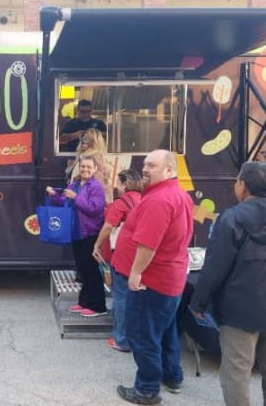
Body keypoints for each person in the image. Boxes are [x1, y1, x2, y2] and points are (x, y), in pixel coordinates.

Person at [189, 161, 266, 406]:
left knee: (236, 373)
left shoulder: (231, 218)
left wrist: (198, 302)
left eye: (237, 180)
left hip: (239, 310)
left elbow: (215, 266)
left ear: (243, 186)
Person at [113, 149, 193, 405]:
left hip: (152, 281)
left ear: (169, 170)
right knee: (166, 330)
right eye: (145, 164)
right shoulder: (177, 194)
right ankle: (172, 377)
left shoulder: (159, 200)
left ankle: (147, 389)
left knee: (143, 336)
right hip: (169, 279)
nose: (145, 169)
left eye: (152, 165)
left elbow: (148, 243)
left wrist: (135, 273)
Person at [46, 154, 107, 317]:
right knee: (83, 270)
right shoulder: (75, 184)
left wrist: (76, 197)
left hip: (90, 233)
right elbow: (63, 202)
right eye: (83, 166)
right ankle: (84, 302)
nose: (85, 169)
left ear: (95, 169)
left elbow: (94, 209)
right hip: (76, 232)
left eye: (89, 167)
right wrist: (54, 195)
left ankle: (98, 306)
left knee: (92, 271)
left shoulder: (96, 187)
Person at [92, 169, 142, 353]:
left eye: (118, 183)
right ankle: (134, 336)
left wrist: (97, 244)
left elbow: (108, 227)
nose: (116, 186)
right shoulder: (143, 200)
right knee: (135, 298)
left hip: (121, 255)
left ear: (125, 184)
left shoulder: (121, 203)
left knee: (120, 297)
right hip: (140, 256)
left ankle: (121, 339)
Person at [66, 128, 113, 203]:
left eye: (88, 139)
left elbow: (74, 183)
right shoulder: (102, 160)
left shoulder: (85, 160)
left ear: (95, 142)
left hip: (85, 202)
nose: (84, 141)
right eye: (84, 138)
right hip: (100, 202)